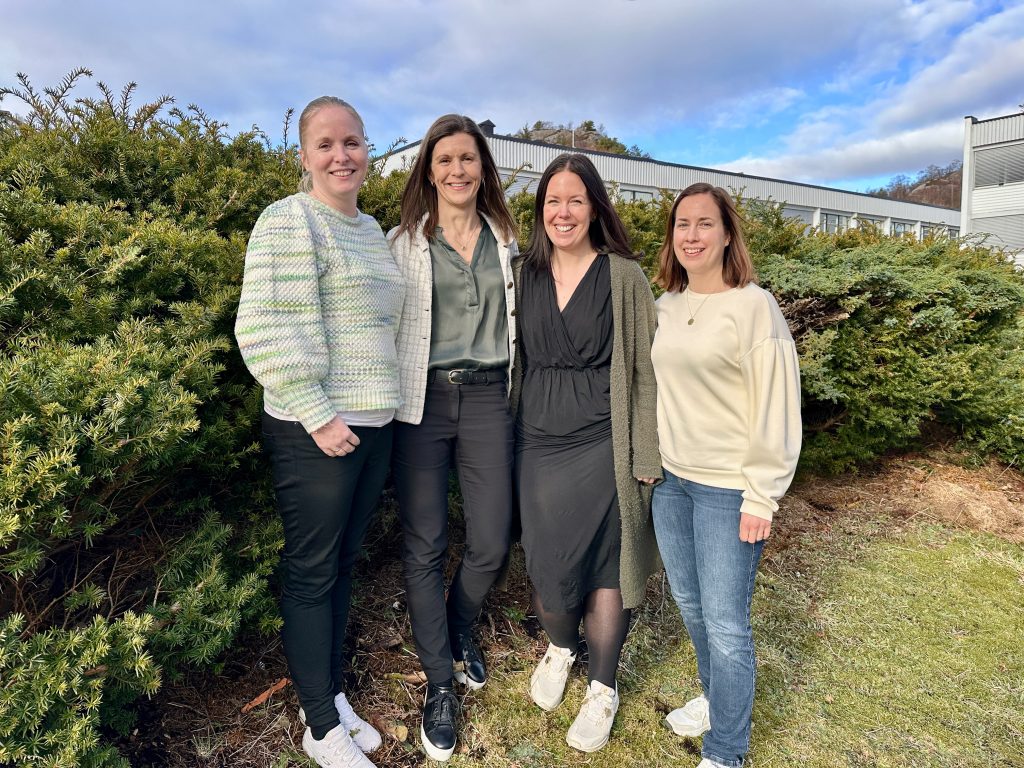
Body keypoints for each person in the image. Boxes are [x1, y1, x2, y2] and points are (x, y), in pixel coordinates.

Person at [235, 96, 403, 768]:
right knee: (311, 575)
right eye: (327, 144)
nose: (342, 155)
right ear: (303, 157)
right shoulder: (288, 221)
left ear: (368, 151)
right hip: (318, 433)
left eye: (353, 142)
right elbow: (264, 327)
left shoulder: (371, 230)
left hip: (374, 428)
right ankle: (317, 725)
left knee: (338, 569)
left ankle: (328, 699)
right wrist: (318, 412)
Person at [511, 153, 661, 753]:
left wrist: (646, 452)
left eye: (575, 200)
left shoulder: (623, 275)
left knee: (606, 560)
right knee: (547, 557)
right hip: (538, 438)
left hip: (605, 439)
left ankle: (603, 687)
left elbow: (646, 373)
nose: (563, 212)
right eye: (552, 201)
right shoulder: (524, 272)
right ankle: (560, 648)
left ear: (595, 206)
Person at [649, 183, 801, 768]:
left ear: (727, 233)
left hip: (728, 489)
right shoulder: (666, 305)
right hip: (671, 482)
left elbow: (777, 405)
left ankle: (726, 751)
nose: (692, 235)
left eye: (704, 224)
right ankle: (715, 700)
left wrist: (762, 495)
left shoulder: (753, 306)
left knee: (726, 622)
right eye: (682, 225)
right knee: (690, 604)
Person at [388, 114, 518, 762]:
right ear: (429, 170)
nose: (458, 170)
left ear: (483, 168)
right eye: (446, 160)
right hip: (423, 400)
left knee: (492, 539)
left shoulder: (509, 240)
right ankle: (440, 682)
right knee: (426, 543)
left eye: (469, 159)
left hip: (492, 396)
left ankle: (459, 624)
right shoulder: (403, 242)